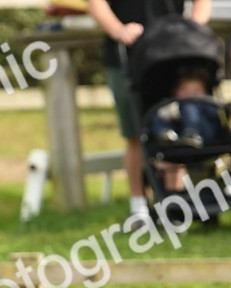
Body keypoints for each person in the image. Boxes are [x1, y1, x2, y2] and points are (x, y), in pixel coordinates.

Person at [88, 0, 212, 220]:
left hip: (172, 56)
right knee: (136, 135)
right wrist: (119, 30)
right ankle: (139, 206)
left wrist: (187, 32)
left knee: (177, 130)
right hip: (127, 57)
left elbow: (203, 4)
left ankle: (174, 203)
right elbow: (96, 4)